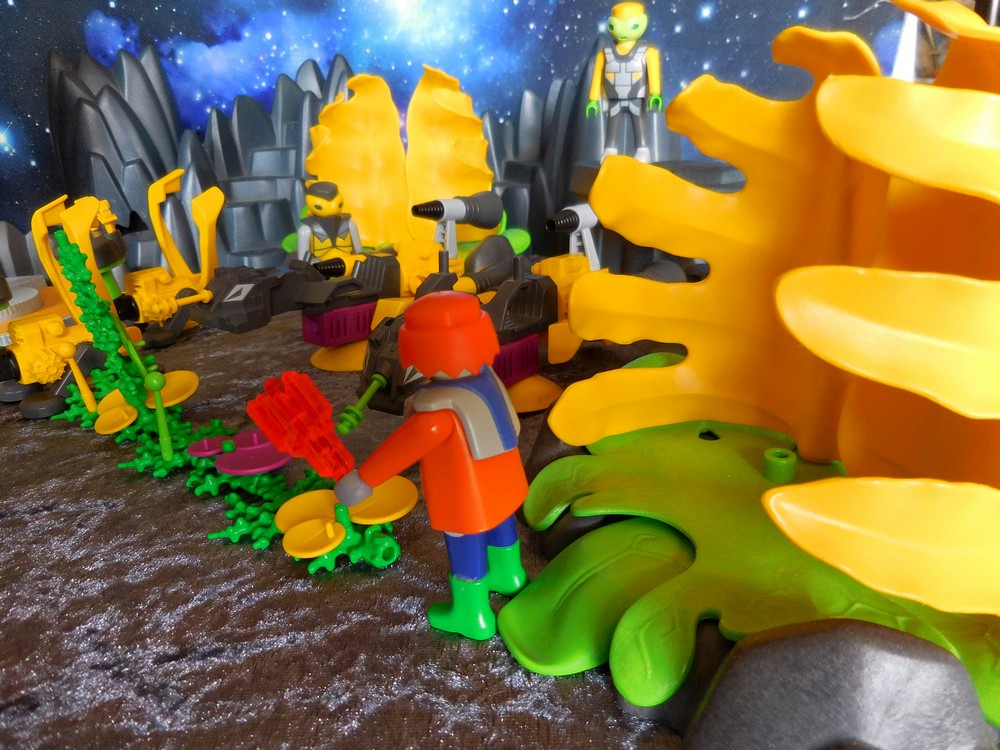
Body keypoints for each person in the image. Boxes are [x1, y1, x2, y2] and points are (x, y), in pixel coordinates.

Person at [334, 291, 529, 640]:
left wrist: (364, 479)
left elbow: (401, 449)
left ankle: (472, 614)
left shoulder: (437, 413)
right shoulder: (489, 380)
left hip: (464, 495)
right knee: (502, 520)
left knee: (465, 541)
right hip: (505, 480)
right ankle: (509, 574)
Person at [586, 2, 664, 163]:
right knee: (612, 126)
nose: (623, 30)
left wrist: (655, 93)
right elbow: (597, 77)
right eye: (617, 25)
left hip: (637, 97)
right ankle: (610, 149)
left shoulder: (648, 52)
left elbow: (653, 73)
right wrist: (593, 99)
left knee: (639, 124)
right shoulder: (604, 54)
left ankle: (643, 150)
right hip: (614, 98)